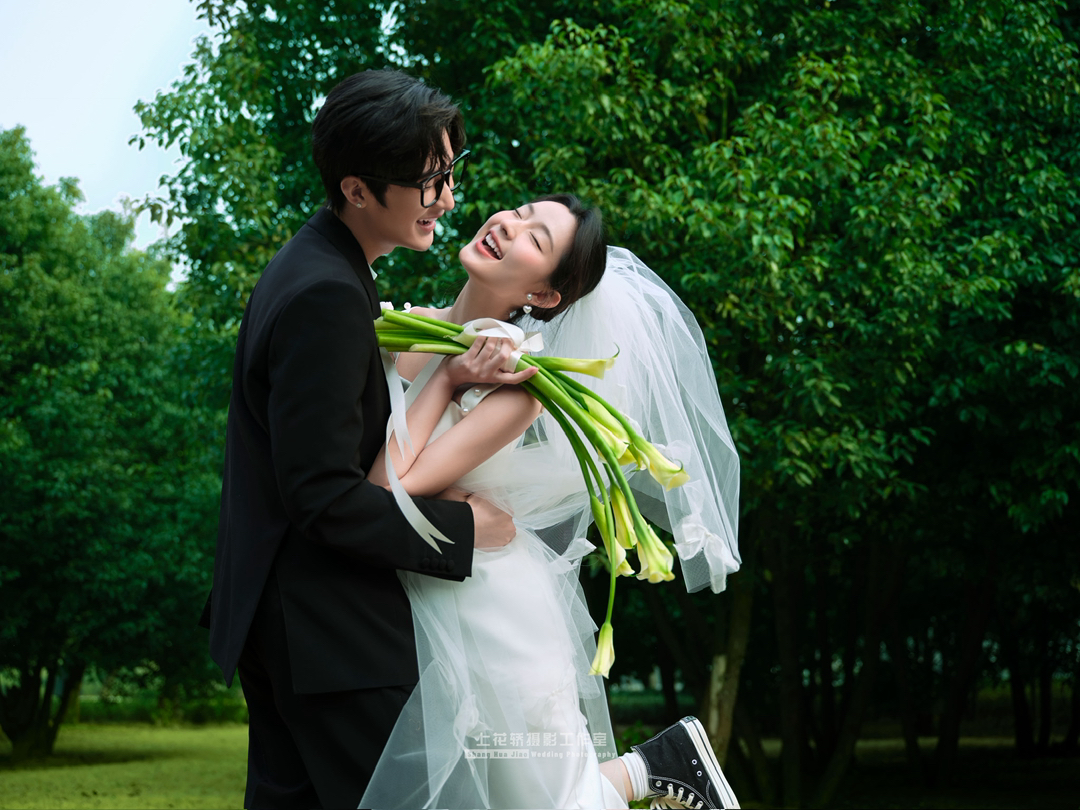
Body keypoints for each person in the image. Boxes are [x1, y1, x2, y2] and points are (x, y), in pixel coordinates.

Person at [199, 69, 535, 809]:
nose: (448, 198)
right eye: (429, 182)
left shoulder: (322, 268)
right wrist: (466, 531)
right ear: (357, 189)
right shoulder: (325, 293)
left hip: (295, 622)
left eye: (450, 173)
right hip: (328, 632)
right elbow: (321, 496)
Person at [359, 195, 743, 809]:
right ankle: (654, 765)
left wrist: (451, 378)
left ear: (542, 295)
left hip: (491, 604)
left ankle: (653, 767)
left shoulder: (522, 383)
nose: (507, 227)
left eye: (535, 240)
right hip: (426, 584)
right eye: (519, 213)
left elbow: (384, 493)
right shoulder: (403, 323)